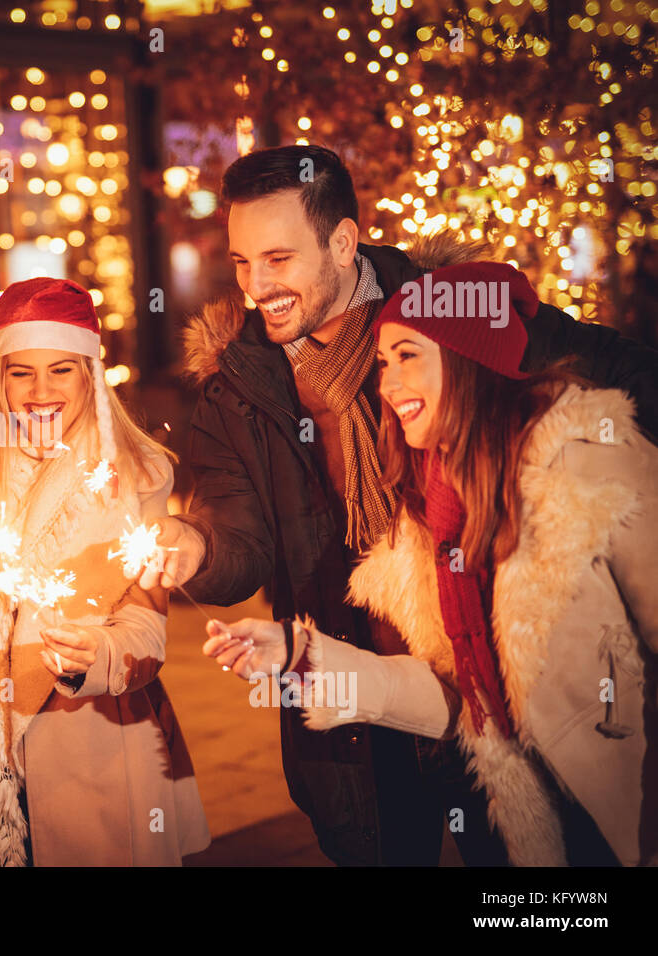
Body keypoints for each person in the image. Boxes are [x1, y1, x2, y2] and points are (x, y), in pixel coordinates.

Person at [148, 144, 658, 866]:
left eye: (279, 259)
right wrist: (195, 548)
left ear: (344, 242)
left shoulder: (450, 312)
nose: (257, 287)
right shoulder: (238, 385)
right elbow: (238, 538)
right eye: (241, 263)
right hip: (359, 710)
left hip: (499, 682)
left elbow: (621, 375)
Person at [0, 278, 211, 866]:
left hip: (82, 743)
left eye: (61, 370)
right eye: (21, 372)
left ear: (89, 374)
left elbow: (147, 632)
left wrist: (93, 653)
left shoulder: (134, 474)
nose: (40, 391)